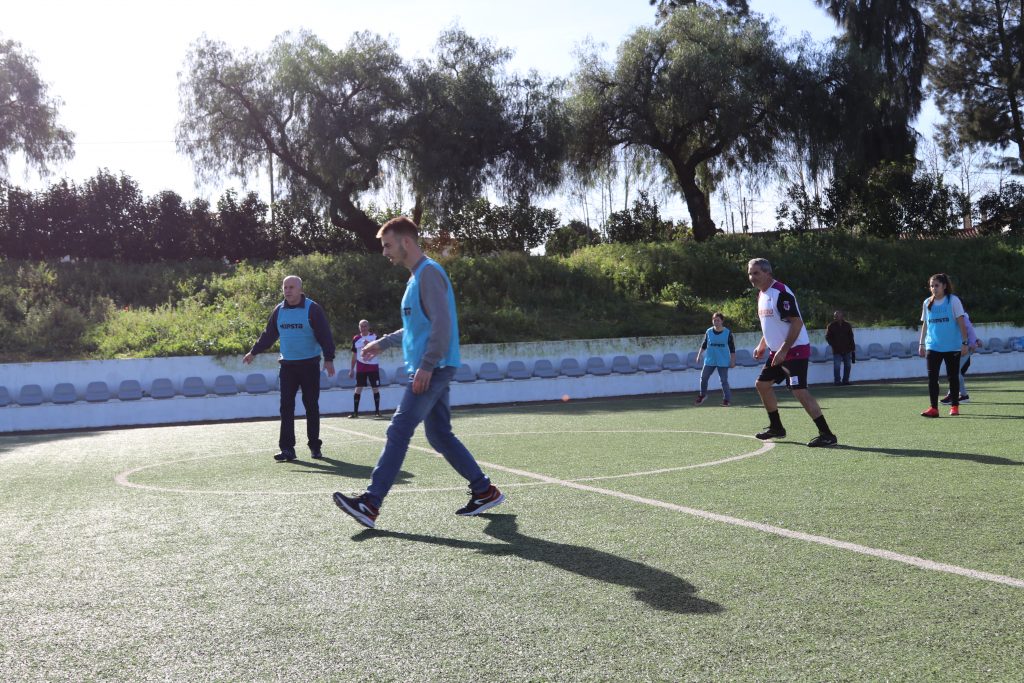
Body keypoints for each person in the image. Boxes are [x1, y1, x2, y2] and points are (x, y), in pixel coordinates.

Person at [333, 216, 504, 528]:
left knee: (399, 429)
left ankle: (370, 503)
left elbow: (442, 323)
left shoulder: (429, 273)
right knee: (439, 435)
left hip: (433, 367)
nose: (384, 252)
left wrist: (427, 365)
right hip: (432, 365)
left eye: (387, 245)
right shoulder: (415, 279)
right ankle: (484, 490)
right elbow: (416, 328)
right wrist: (383, 343)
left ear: (406, 242)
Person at [747, 258, 838, 447]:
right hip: (778, 352)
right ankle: (776, 428)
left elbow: (796, 323)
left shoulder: (781, 293)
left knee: (799, 391)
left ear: (767, 273)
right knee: (762, 385)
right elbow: (772, 324)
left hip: (794, 350)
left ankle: (827, 435)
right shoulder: (761, 294)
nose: (752, 277)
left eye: (756, 273)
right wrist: (762, 344)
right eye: (750, 273)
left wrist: (784, 350)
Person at [244, 275, 336, 461]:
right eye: (285, 287)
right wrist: (253, 352)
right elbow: (268, 335)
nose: (287, 290)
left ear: (300, 289)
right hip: (287, 366)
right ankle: (287, 449)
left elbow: (325, 335)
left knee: (311, 405)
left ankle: (314, 446)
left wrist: (329, 358)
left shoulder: (313, 309)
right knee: (286, 406)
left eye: (291, 287)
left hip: (309, 365)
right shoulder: (279, 310)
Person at [918, 273, 969, 417]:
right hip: (933, 346)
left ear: (944, 286)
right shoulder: (927, 302)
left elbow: (961, 322)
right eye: (931, 286)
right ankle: (933, 408)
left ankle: (954, 406)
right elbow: (925, 324)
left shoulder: (953, 301)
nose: (934, 288)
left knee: (952, 377)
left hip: (952, 347)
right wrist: (921, 343)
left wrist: (965, 342)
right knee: (932, 378)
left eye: (937, 285)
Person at [694, 312, 736, 406]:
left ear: (722, 321)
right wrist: (699, 355)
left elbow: (732, 348)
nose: (716, 322)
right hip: (710, 360)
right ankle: (702, 395)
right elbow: (704, 344)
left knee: (723, 380)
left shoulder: (727, 332)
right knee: (703, 377)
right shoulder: (709, 331)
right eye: (714, 320)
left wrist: (733, 361)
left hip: (723, 360)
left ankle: (727, 400)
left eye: (718, 320)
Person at [941, 310, 982, 405]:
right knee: (955, 372)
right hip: (955, 348)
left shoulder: (961, 316)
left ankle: (963, 395)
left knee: (955, 371)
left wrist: (973, 342)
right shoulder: (951, 316)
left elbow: (969, 329)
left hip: (965, 348)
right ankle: (953, 395)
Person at [348, 319, 382, 418]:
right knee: (358, 388)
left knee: (375, 388)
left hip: (373, 367)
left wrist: (370, 345)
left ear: (368, 327)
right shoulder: (356, 338)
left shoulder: (374, 337)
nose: (363, 328)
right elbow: (354, 355)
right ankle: (355, 413)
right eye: (361, 326)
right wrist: (351, 369)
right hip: (361, 368)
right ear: (359, 327)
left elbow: (380, 349)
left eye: (365, 326)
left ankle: (377, 412)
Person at [825, 309, 856, 385]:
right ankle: (837, 381)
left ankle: (845, 380)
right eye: (835, 316)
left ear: (842, 316)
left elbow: (851, 337)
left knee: (848, 365)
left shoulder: (847, 325)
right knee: (837, 366)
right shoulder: (831, 326)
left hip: (847, 348)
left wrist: (853, 347)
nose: (837, 317)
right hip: (836, 350)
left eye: (838, 316)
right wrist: (833, 344)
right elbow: (827, 337)